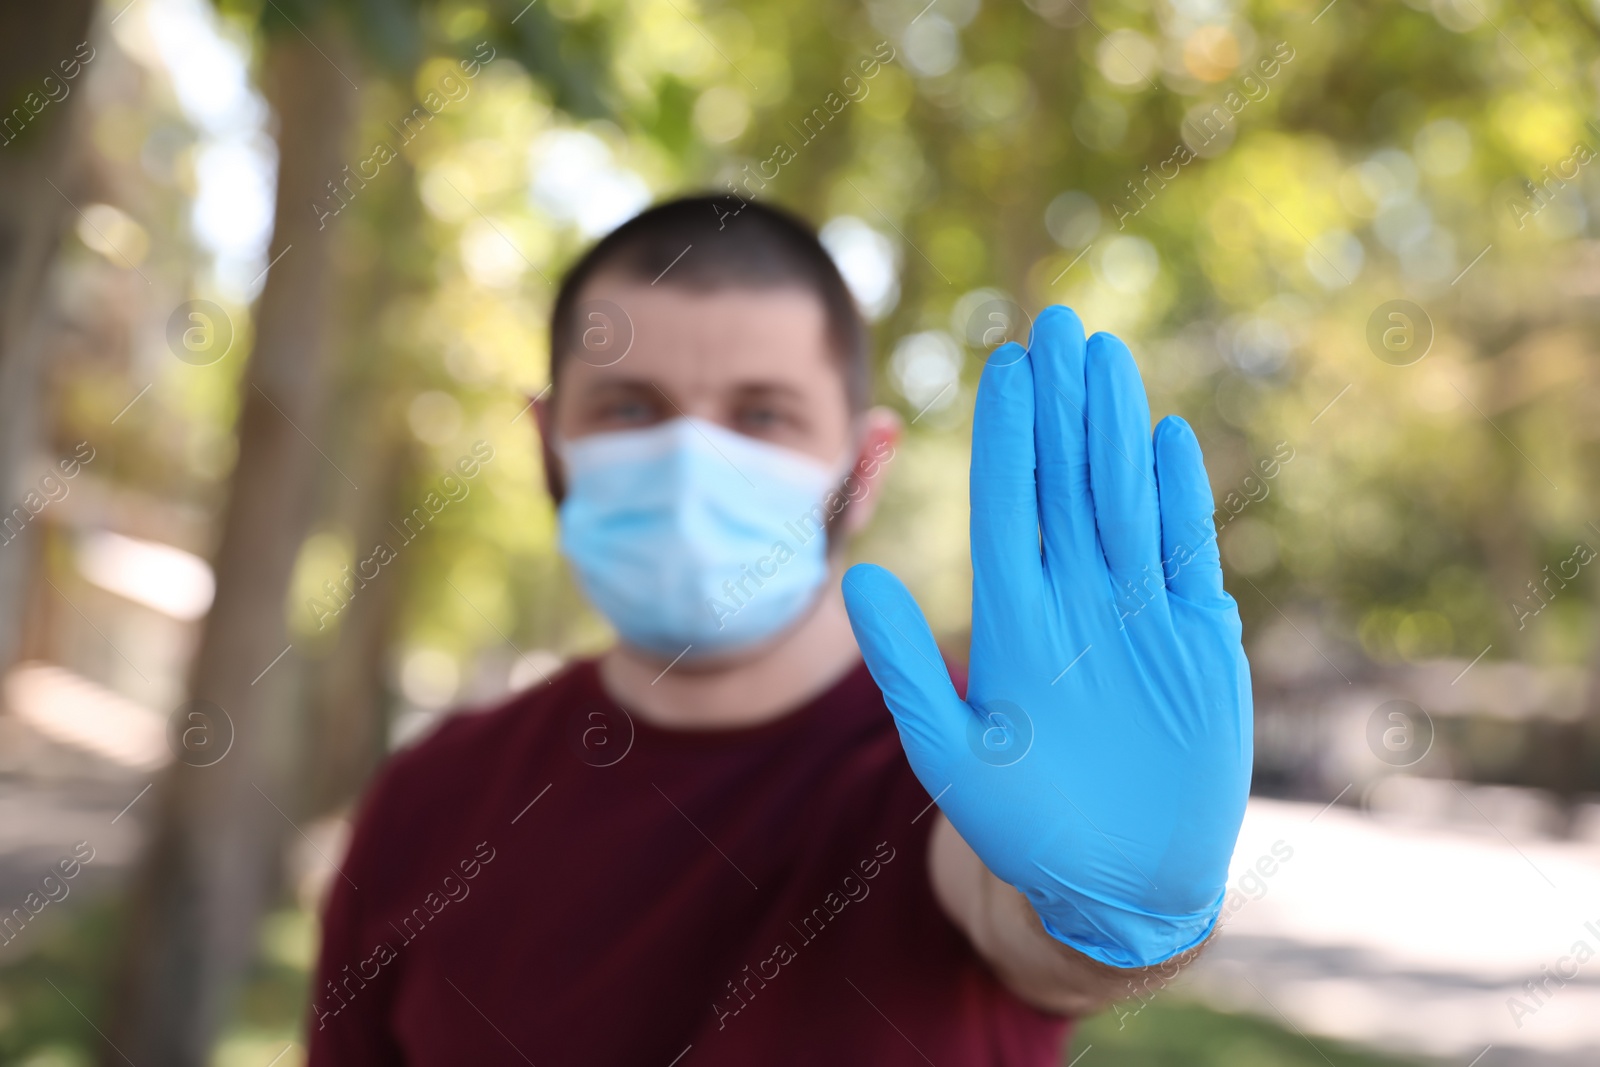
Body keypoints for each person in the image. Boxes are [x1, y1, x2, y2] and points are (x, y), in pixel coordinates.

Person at [306, 195, 1253, 1065]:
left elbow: (1023, 929)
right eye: (630, 408)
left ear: (867, 465)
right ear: (549, 443)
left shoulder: (975, 759)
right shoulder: (432, 797)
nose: (689, 462)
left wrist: (1117, 920)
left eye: (762, 414)